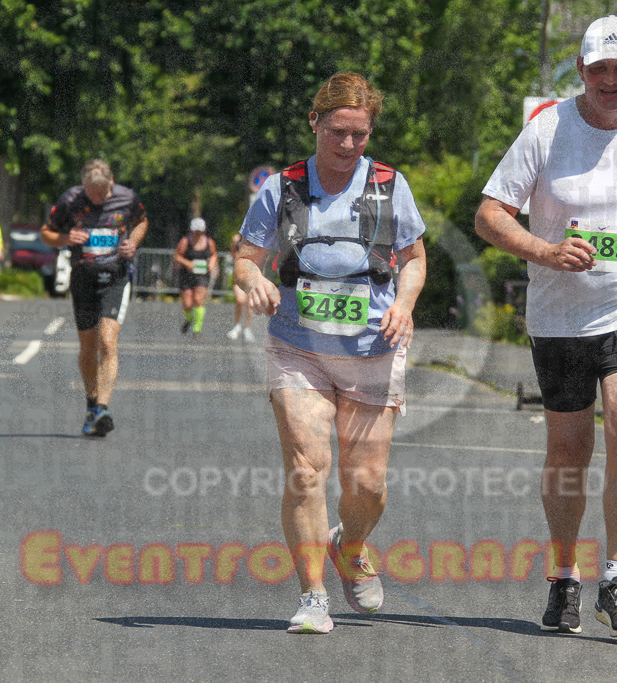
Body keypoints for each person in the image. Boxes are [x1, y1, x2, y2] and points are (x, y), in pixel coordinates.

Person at [474, 15, 617, 638]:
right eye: (599, 69)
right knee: (569, 450)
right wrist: (543, 252)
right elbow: (491, 214)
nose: (610, 80)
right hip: (560, 315)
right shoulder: (546, 131)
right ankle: (563, 576)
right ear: (582, 72)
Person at [234, 72, 427, 634]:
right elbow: (245, 256)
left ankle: (353, 542)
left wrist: (405, 305)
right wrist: (254, 281)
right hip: (299, 346)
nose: (347, 145)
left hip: (373, 344)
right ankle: (313, 595)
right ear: (314, 122)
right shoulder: (282, 188)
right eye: (337, 131)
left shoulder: (391, 186)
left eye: (359, 135)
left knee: (366, 483)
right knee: (305, 468)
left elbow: (414, 259)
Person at [40, 159, 148, 437]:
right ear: (83, 185)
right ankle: (91, 404)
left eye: (102, 193)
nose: (97, 199)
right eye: (92, 193)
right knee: (88, 349)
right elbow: (46, 234)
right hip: (83, 279)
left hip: (116, 277)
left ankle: (102, 408)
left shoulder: (127, 198)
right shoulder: (70, 200)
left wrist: (133, 242)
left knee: (107, 342)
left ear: (111, 181)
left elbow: (141, 222)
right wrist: (65, 238)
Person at [173, 217, 219, 339]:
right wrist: (187, 263)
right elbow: (177, 256)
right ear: (192, 231)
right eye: (195, 231)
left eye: (200, 232)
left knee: (199, 300)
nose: (198, 234)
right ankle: (189, 319)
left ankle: (197, 329)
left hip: (202, 275)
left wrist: (211, 264)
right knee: (187, 304)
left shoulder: (209, 242)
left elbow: (214, 255)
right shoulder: (185, 241)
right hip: (186, 274)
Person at [226, 232, 255, 342]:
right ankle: (237, 325)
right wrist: (234, 244)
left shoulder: (258, 239)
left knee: (249, 303)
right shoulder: (238, 239)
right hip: (240, 273)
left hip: (252, 275)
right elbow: (233, 254)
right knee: (240, 300)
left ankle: (247, 328)